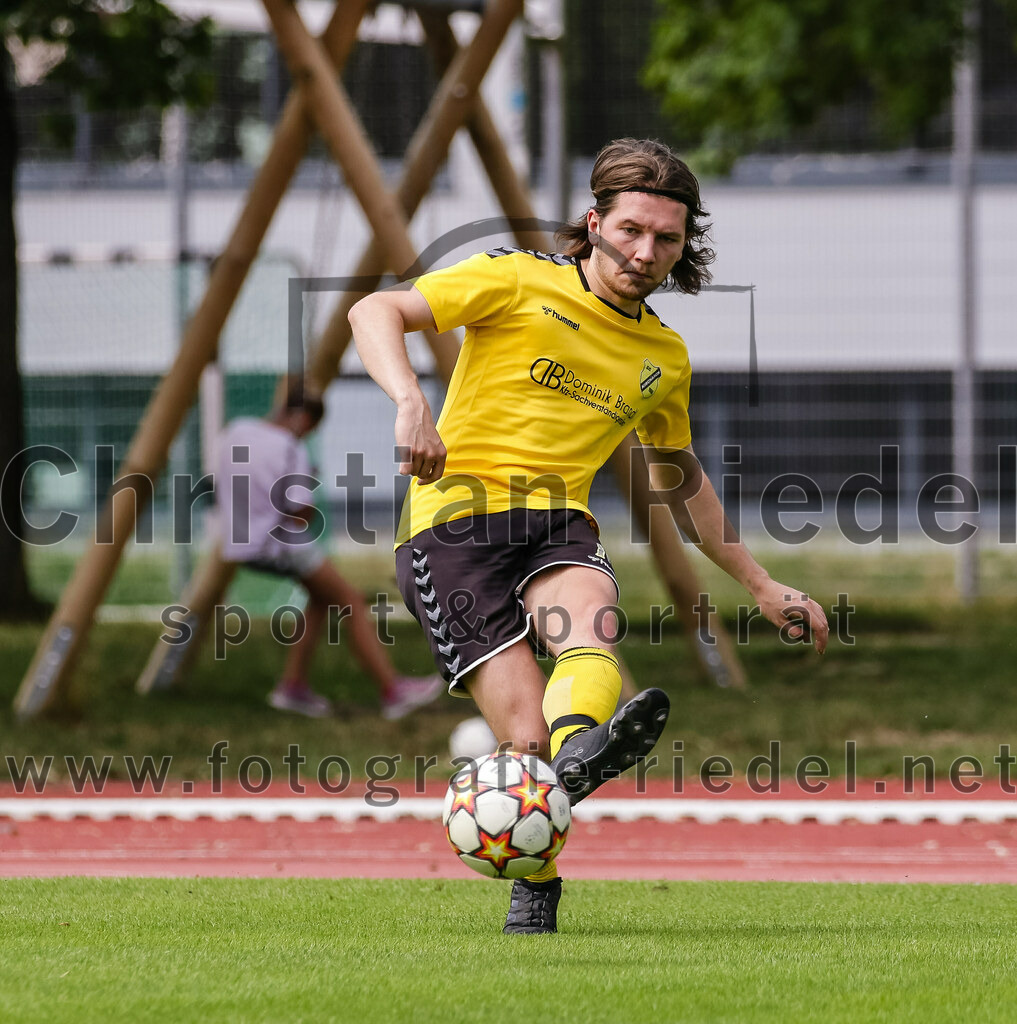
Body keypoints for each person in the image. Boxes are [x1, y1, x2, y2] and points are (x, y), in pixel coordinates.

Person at [349, 138, 829, 933]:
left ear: (682, 245)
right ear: (594, 222)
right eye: (631, 230)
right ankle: (538, 870)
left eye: (665, 239)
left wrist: (759, 583)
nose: (645, 253)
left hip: (556, 523)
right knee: (523, 739)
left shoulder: (662, 356)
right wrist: (409, 400)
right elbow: (374, 310)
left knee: (588, 628)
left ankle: (580, 755)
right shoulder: (516, 278)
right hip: (451, 528)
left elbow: (681, 480)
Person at [215, 379, 443, 720]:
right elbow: (301, 512)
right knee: (351, 602)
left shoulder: (235, 432)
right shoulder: (290, 448)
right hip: (279, 545)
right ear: (305, 418)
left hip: (239, 544)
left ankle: (293, 686)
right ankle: (393, 691)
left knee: (321, 599)